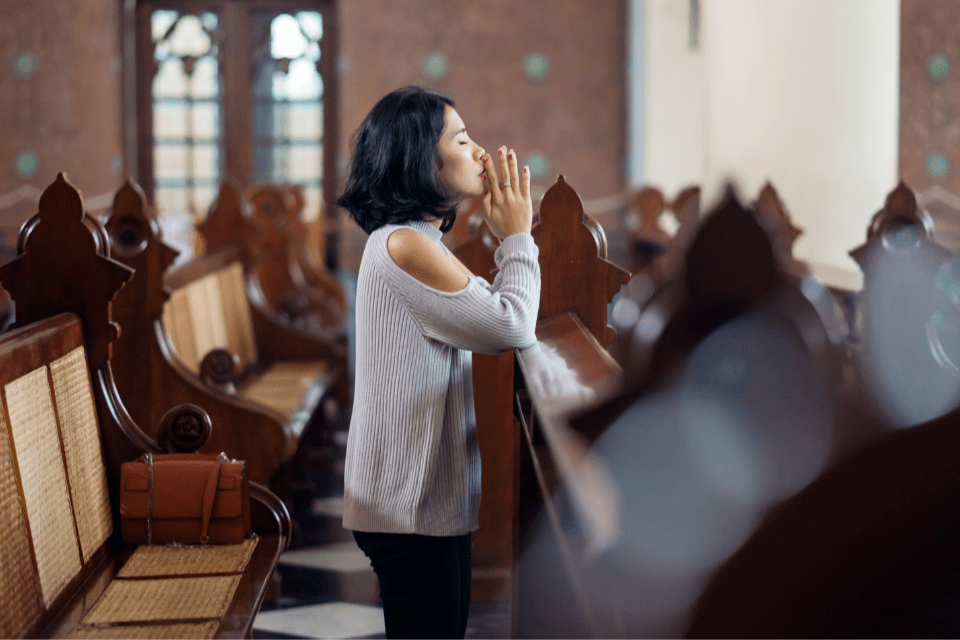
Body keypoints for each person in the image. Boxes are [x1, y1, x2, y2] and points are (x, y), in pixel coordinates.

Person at [336, 85, 541, 639]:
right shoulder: (405, 245)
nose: (480, 152)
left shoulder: (413, 240)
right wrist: (517, 237)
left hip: (417, 498)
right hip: (407, 502)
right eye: (462, 138)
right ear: (421, 158)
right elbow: (510, 325)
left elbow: (489, 312)